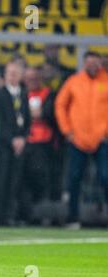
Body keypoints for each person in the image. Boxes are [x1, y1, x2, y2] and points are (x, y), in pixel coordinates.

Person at [54, 51, 108, 228]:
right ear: (85, 63)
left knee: (105, 177)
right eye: (89, 62)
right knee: (74, 178)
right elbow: (60, 105)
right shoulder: (74, 82)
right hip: (77, 139)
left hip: (102, 139)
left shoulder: (106, 81)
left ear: (100, 64)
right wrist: (67, 130)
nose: (92, 66)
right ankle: (73, 217)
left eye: (95, 62)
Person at [0, 61, 31, 225]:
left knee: (15, 180)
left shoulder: (23, 94)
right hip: (3, 146)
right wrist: (11, 139)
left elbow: (27, 119)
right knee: (1, 180)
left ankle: (10, 214)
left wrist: (23, 138)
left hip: (19, 146)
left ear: (21, 75)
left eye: (16, 73)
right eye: (10, 72)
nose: (12, 75)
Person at [19, 67, 55, 223]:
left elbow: (48, 114)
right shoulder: (20, 93)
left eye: (34, 78)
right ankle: (26, 214)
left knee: (41, 178)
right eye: (28, 78)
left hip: (43, 143)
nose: (31, 81)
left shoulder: (48, 93)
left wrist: (37, 114)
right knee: (23, 180)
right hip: (25, 142)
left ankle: (41, 213)